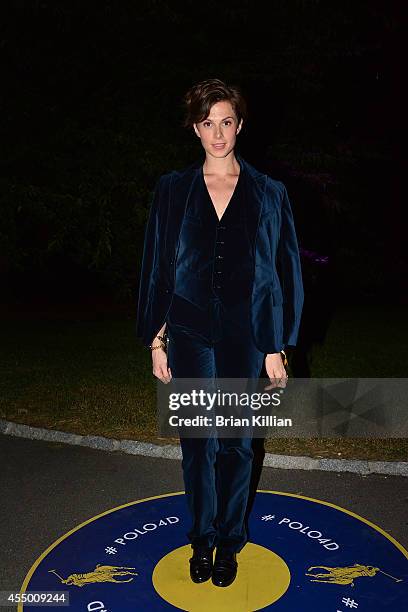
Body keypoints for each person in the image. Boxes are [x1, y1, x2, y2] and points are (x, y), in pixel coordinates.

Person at [136, 78, 304, 588]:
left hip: (245, 335)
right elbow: (159, 266)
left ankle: (230, 542)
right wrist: (155, 338)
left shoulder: (269, 193)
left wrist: (276, 346)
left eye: (226, 121)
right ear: (195, 127)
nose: (217, 132)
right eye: (207, 122)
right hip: (187, 331)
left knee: (235, 443)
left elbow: (283, 272)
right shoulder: (172, 189)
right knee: (197, 442)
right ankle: (201, 539)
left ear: (240, 125)